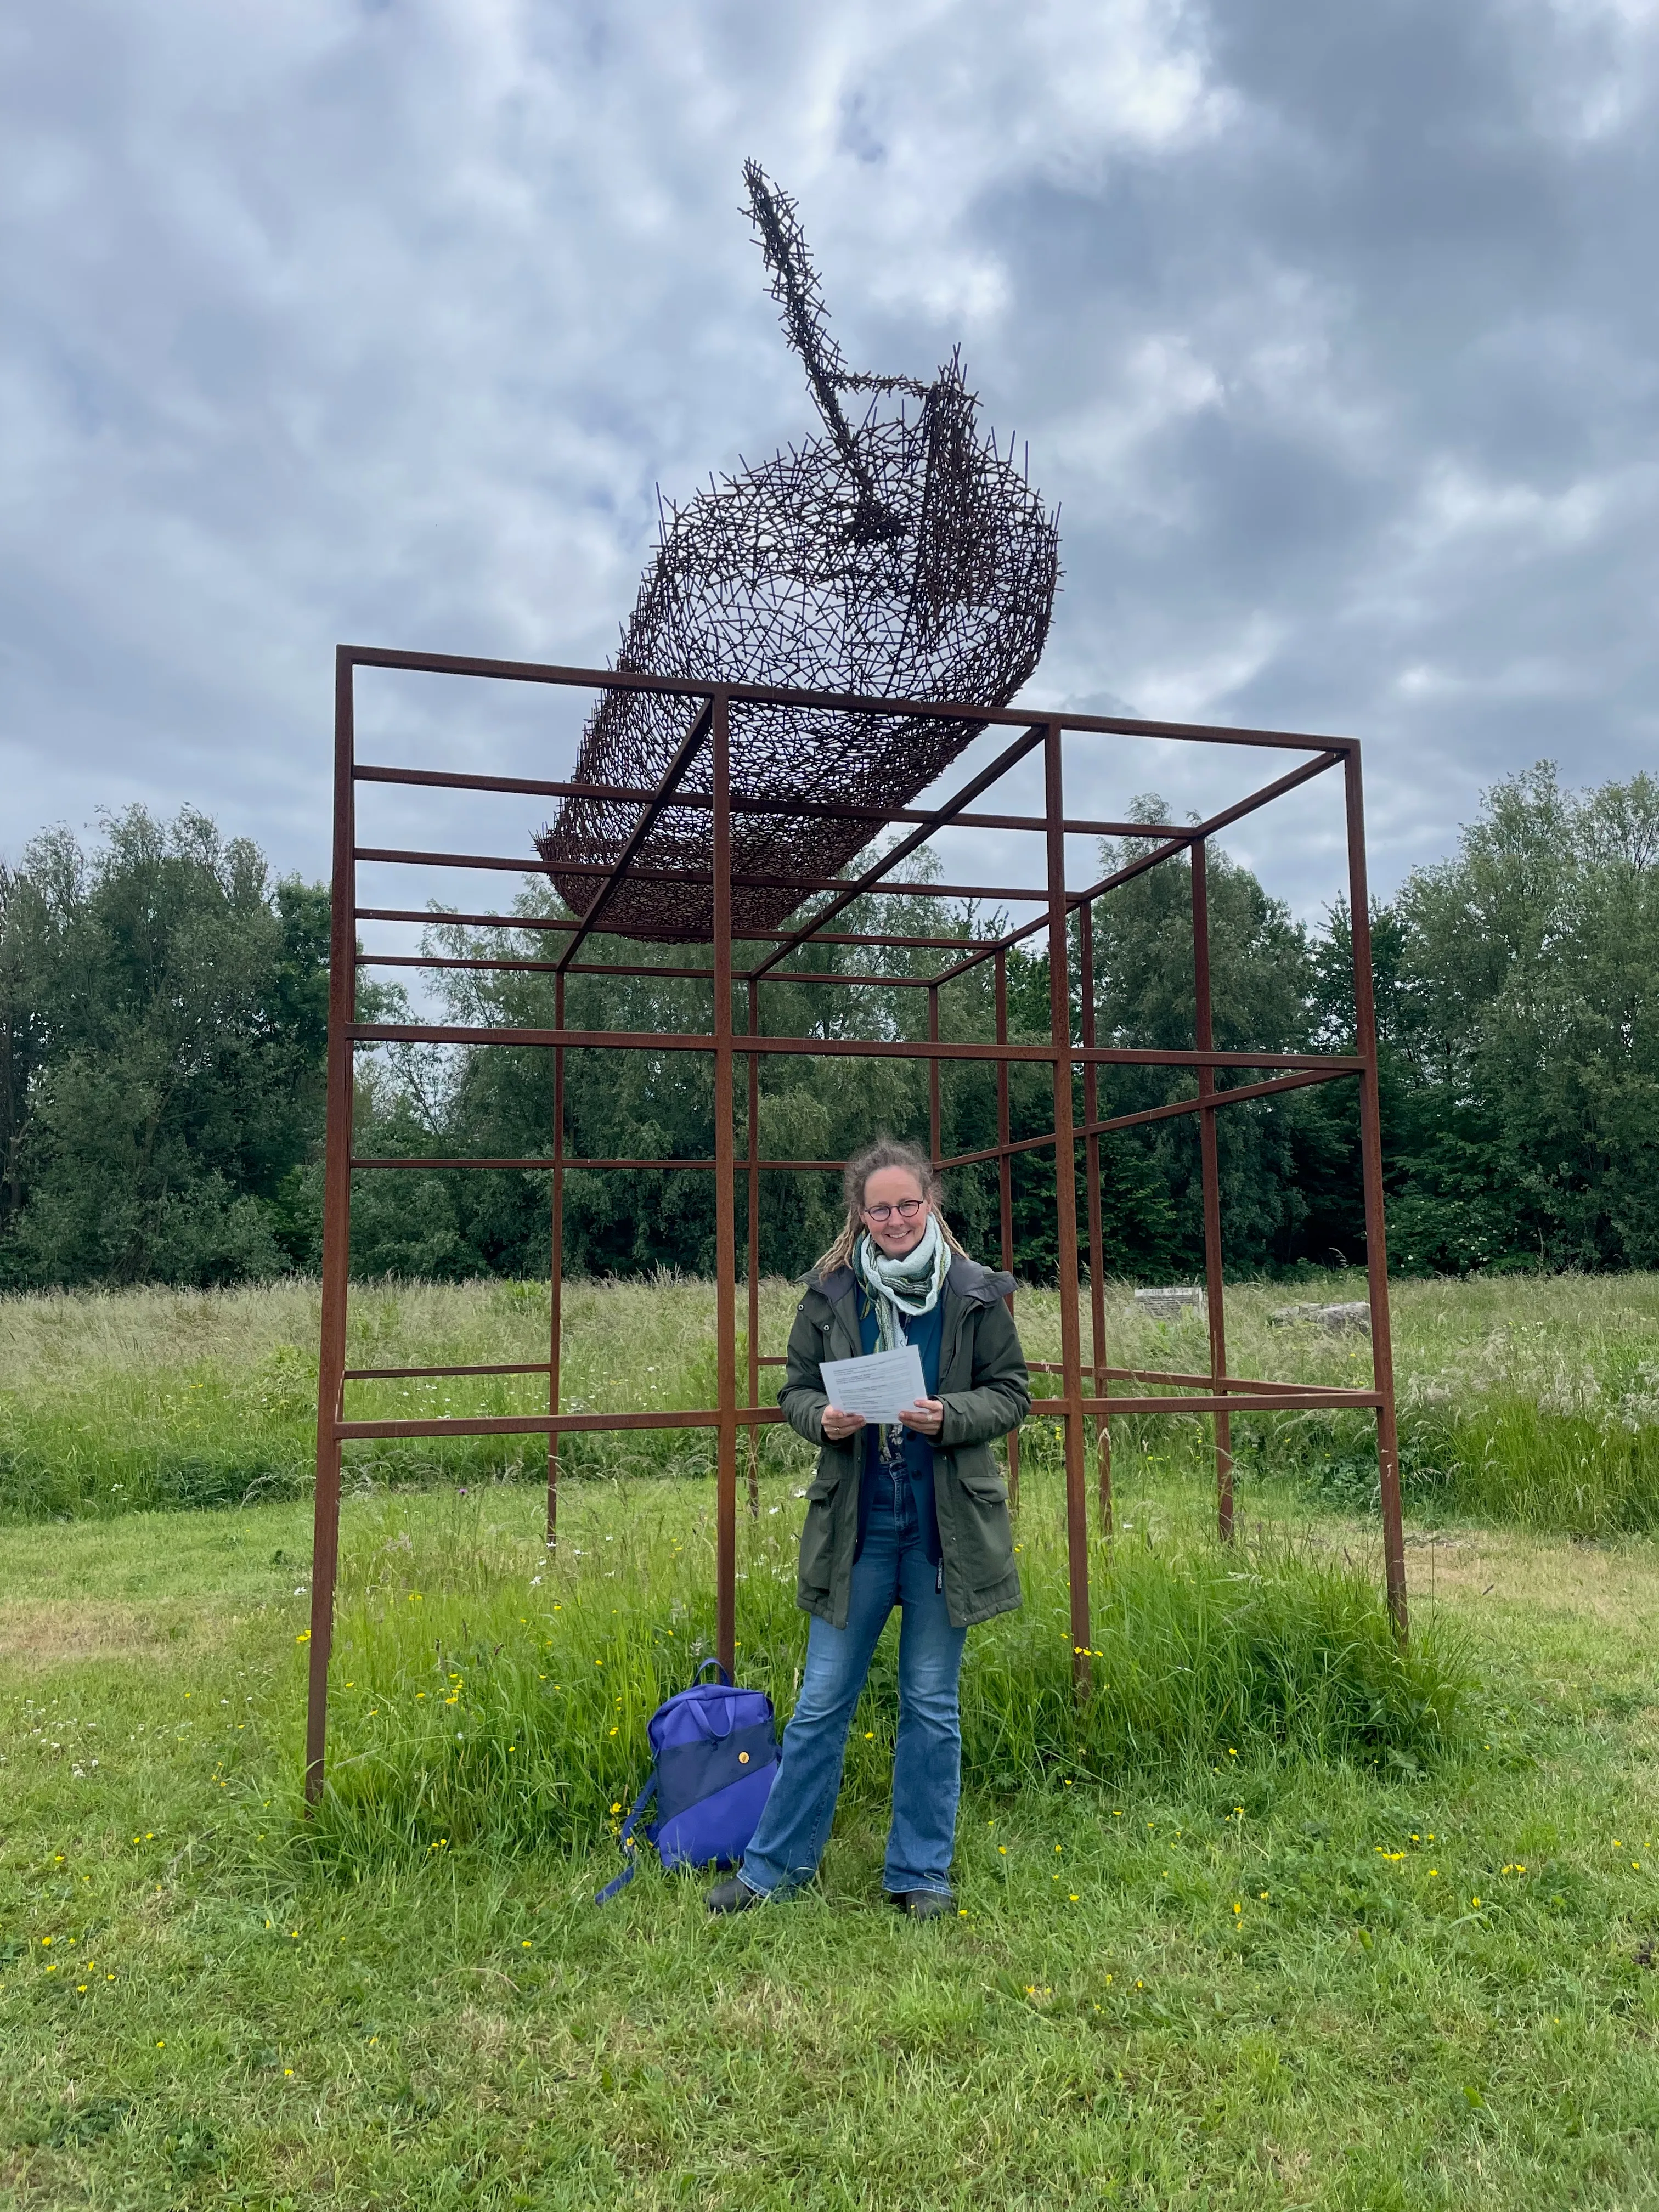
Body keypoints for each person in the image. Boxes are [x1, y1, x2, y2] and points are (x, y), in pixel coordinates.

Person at [707, 1137, 1029, 1918]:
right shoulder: (829, 1294)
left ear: (931, 1205)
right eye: (879, 1208)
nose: (893, 1219)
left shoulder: (978, 1292)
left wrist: (949, 1415)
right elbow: (793, 1393)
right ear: (860, 1214)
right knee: (820, 1703)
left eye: (906, 1205)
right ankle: (773, 1870)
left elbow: (1013, 1394)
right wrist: (826, 1419)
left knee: (930, 1704)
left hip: (945, 1531)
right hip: (859, 1525)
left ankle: (921, 1873)